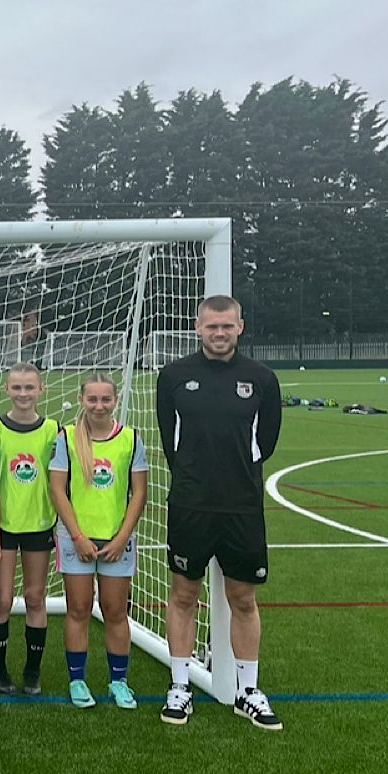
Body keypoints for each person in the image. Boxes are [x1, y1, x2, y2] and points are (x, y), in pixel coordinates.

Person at [157, 295, 283, 730]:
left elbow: (265, 444)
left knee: (243, 599)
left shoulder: (262, 379)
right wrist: (195, 479)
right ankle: (180, 685)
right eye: (212, 326)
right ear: (198, 327)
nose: (219, 333)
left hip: (242, 507)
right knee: (184, 595)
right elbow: (170, 443)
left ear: (241, 327)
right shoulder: (173, 376)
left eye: (227, 326)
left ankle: (248, 691)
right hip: (190, 505)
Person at [49, 375, 149, 710]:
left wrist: (122, 538)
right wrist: (77, 536)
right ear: (82, 400)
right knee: (78, 609)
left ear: (115, 401)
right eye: (92, 399)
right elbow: (57, 491)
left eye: (105, 399)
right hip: (76, 538)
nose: (99, 405)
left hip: (116, 541)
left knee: (115, 611)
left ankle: (118, 681)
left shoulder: (131, 439)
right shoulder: (67, 438)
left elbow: (139, 494)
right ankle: (77, 681)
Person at [0, 362, 59, 696]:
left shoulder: (54, 431)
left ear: (41, 389)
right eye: (17, 387)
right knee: (1, 600)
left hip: (39, 525)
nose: (23, 393)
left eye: (30, 387)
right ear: (6, 390)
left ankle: (32, 670)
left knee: (34, 597)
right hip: (2, 526)